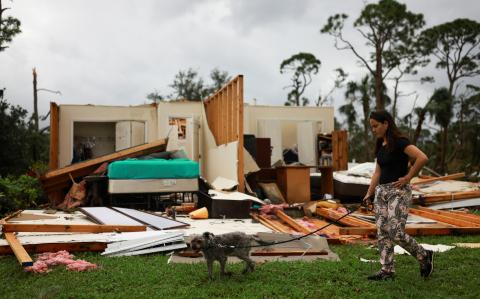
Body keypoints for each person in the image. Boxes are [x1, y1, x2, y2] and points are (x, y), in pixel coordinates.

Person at [363, 110, 434, 281]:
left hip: (398, 191)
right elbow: (377, 173)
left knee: (395, 231)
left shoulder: (401, 143)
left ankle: (424, 255)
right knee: (382, 231)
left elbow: (422, 157)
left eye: (376, 126)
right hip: (381, 192)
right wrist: (368, 194)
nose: (373, 130)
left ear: (386, 123)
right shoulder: (381, 146)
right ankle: (387, 270)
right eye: (371, 127)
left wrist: (408, 177)